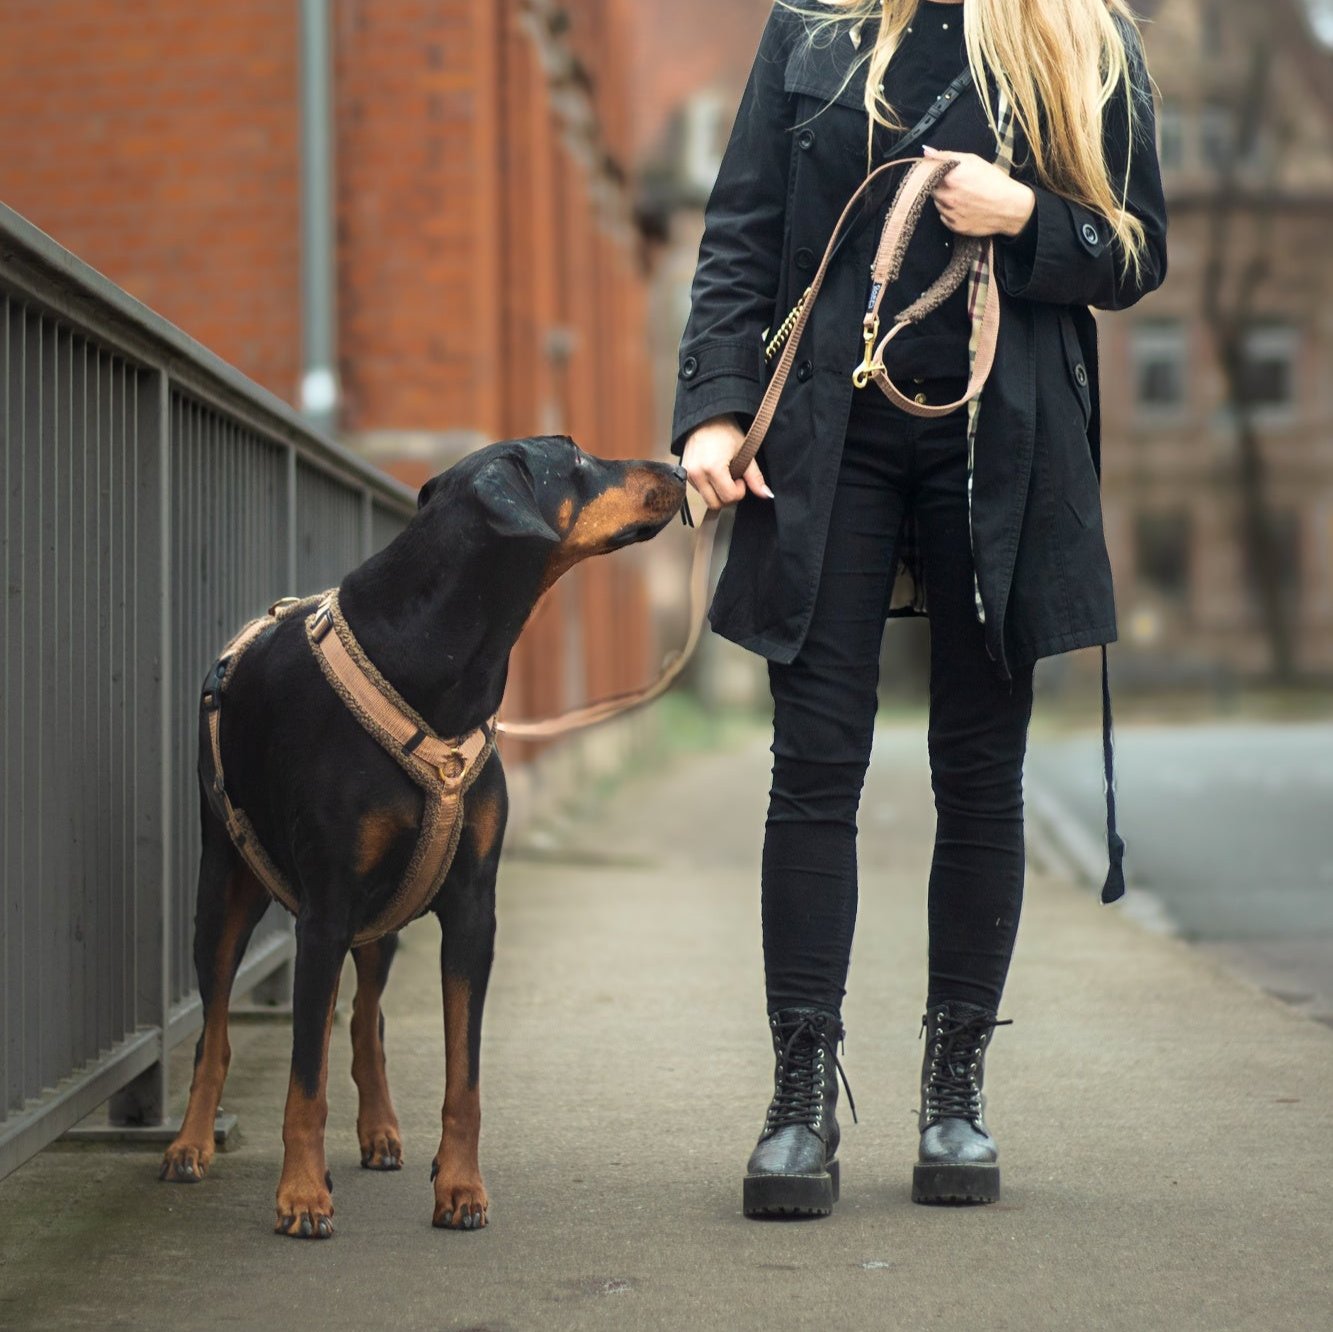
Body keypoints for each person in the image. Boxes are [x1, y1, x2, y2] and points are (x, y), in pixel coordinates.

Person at [670, 0, 1167, 1217]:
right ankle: (799, 1100)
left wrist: (1028, 216)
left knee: (980, 771)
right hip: (828, 435)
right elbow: (740, 229)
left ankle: (954, 1094)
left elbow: (1137, 250)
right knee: (813, 765)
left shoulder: (1083, 34)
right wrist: (714, 411)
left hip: (1005, 441)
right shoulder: (813, 26)